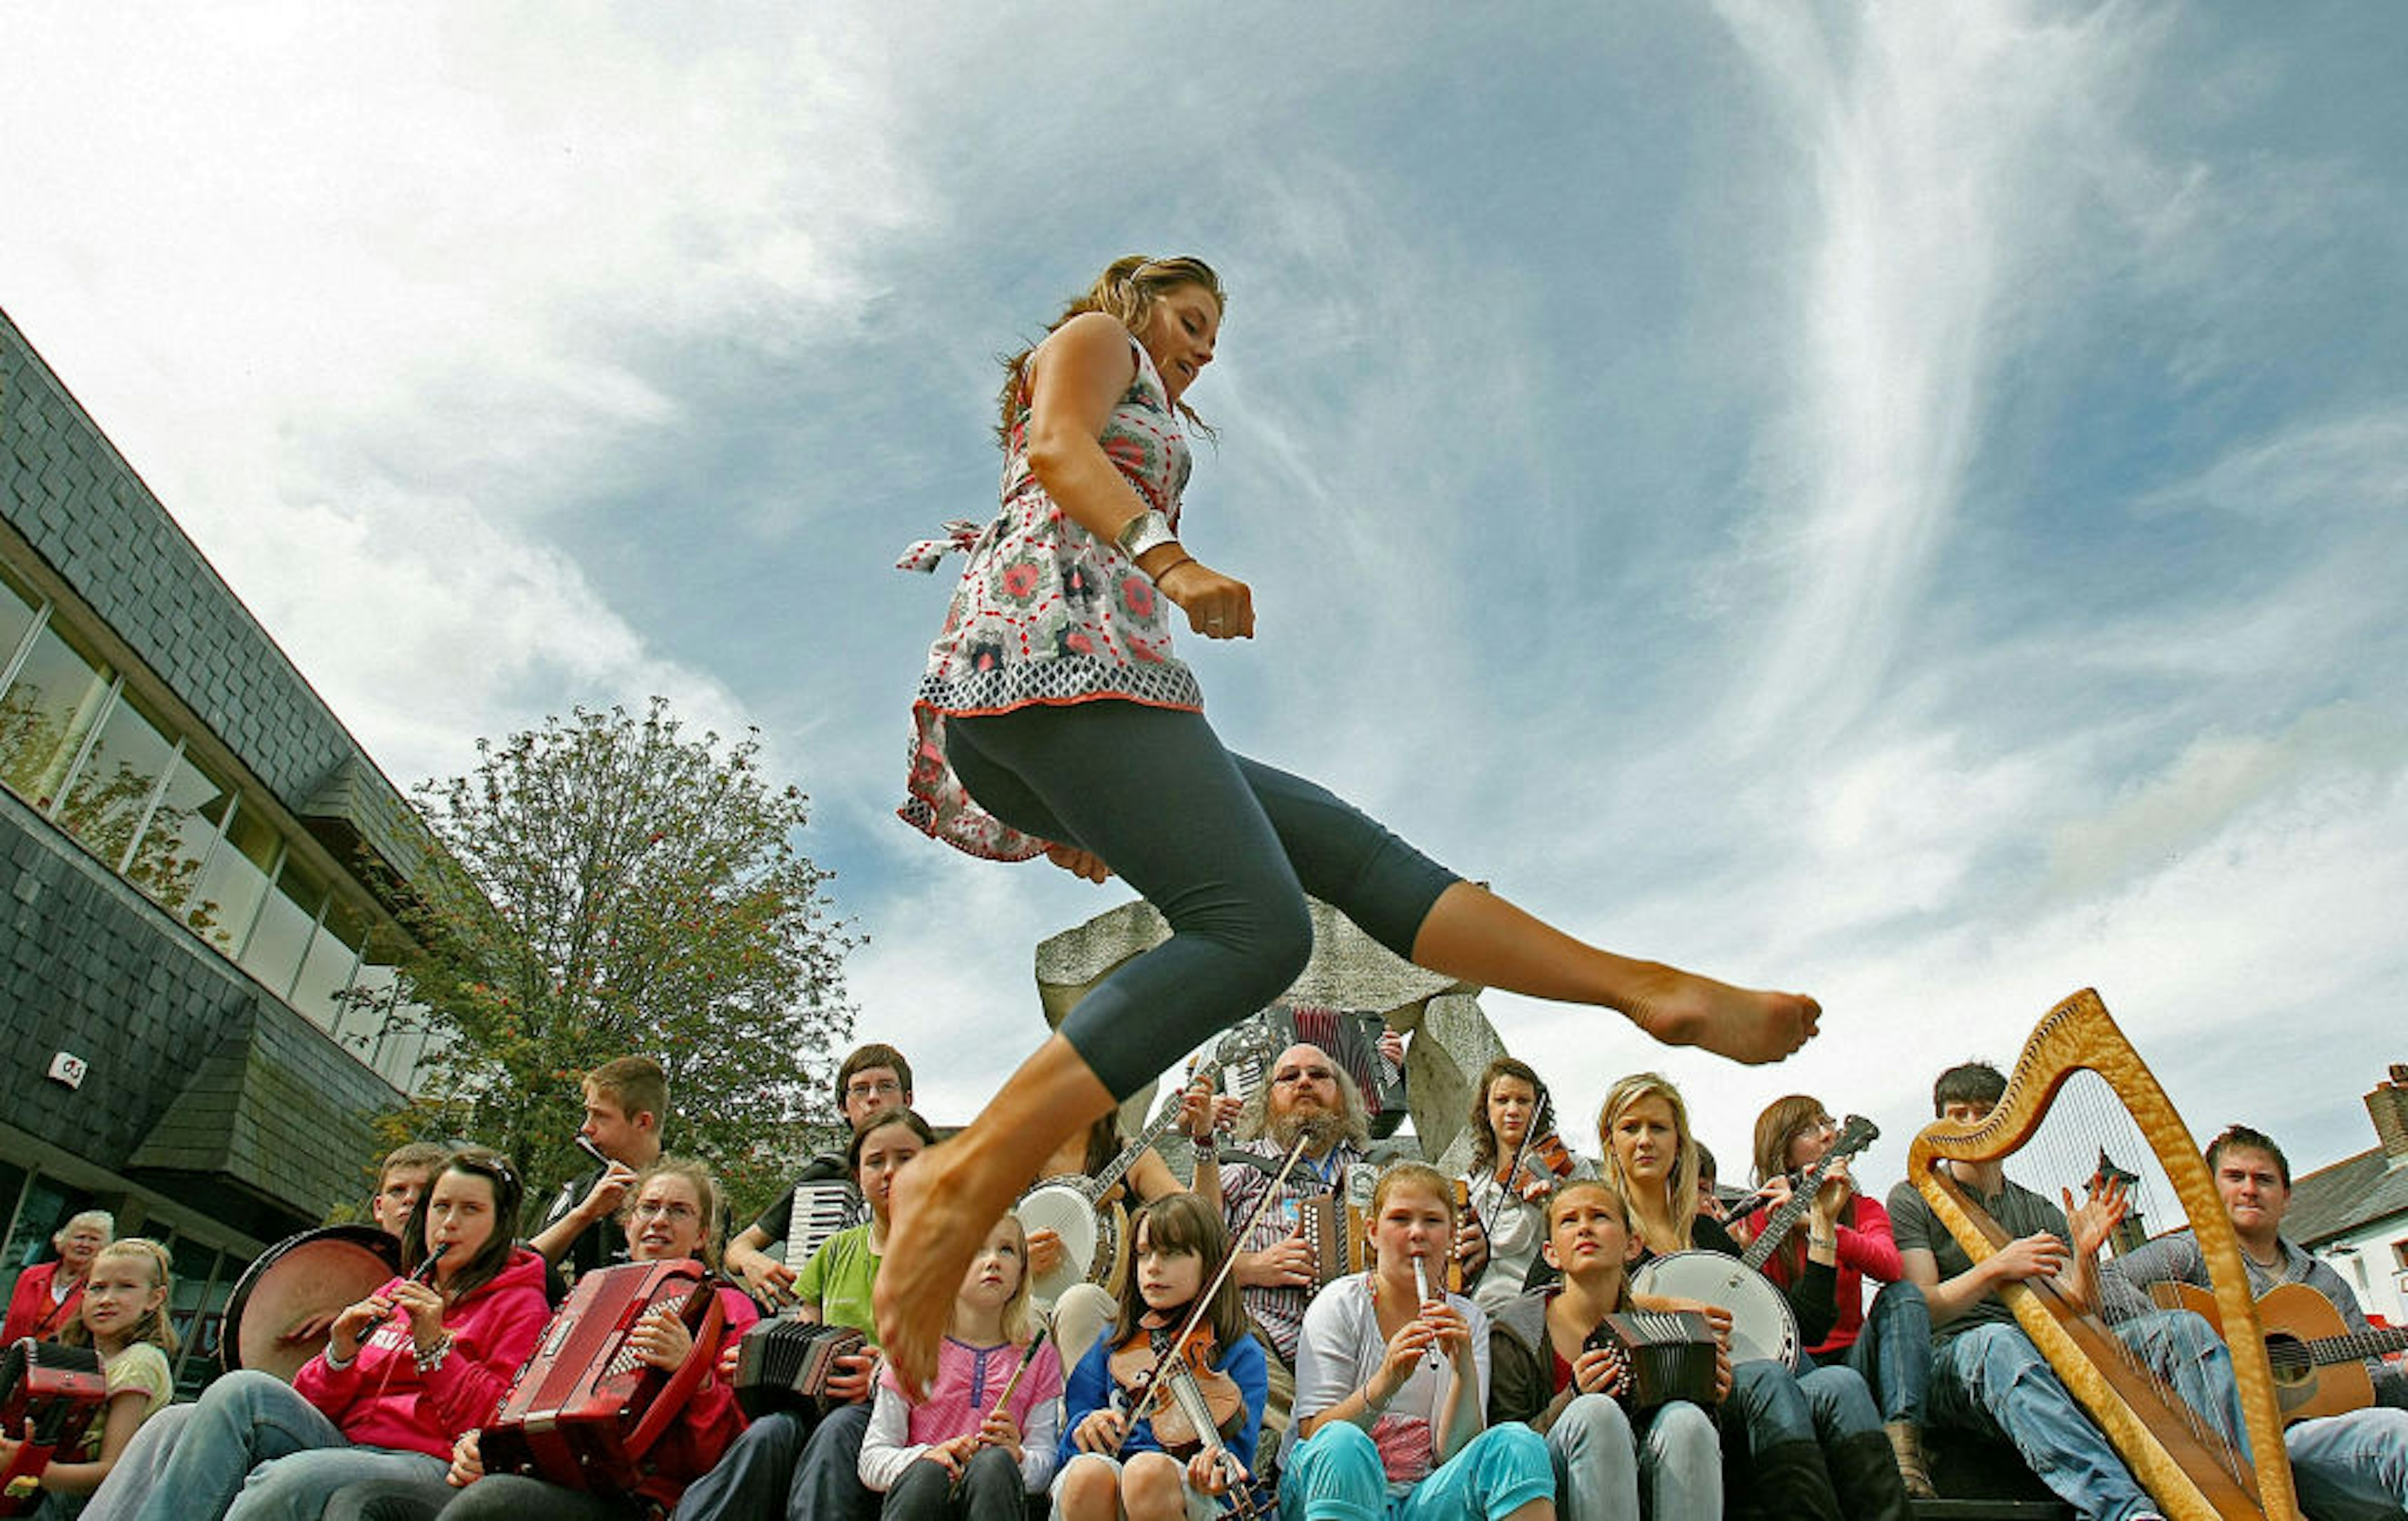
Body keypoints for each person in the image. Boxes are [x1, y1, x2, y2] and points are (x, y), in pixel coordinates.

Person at [877, 253, 1824, 1394]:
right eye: (1191, 321)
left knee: (1355, 860)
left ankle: (1641, 986)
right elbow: (1056, 451)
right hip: (1055, 671)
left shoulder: (1146, 389)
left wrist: (1094, 808)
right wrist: (1170, 562)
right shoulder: (1095, 343)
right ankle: (973, 1167)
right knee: (1257, 929)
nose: (1202, 351)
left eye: (1213, 339)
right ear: (1136, 303)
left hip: (1078, 708)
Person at [1886, 1060, 2252, 1521]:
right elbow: (1924, 1308)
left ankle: (2242, 1490)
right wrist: (1997, 1267)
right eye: (1957, 1114)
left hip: (2043, 1351)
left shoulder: (2036, 1208)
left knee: (2185, 1330)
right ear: (1938, 1124)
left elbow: (2074, 1306)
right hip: (1954, 1361)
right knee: (2002, 1343)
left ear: (2007, 1127)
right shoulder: (1912, 1197)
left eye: (1984, 1113)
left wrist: (2085, 1255)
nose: (1971, 1126)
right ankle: (2124, 1512)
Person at [123, 1147, 548, 1521]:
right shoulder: (395, 1291)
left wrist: (436, 1347)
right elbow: (312, 1404)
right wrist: (339, 1355)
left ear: (500, 1225)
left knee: (285, 1479)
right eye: (441, 1207)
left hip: (427, 1459)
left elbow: (496, 1424)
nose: (449, 1223)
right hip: (347, 1442)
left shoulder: (523, 1306)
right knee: (238, 1391)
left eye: (471, 1210)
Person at [332, 1156, 763, 1521]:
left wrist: (693, 1374)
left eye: (679, 1211)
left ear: (703, 1234)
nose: (660, 1221)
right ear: (628, 1224)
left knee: (491, 1504)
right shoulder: (588, 1296)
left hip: (640, 1500)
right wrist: (489, 1446)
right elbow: (528, 1403)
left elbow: (737, 1453)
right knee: (366, 1502)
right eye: (649, 1208)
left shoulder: (729, 1309)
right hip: (556, 1477)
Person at [1597, 1073, 1908, 1521]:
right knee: (1768, 1377)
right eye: (1631, 1128)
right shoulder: (1598, 1222)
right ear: (1611, 1142)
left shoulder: (1706, 1234)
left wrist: (1821, 1223)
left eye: (1659, 1128)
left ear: (1679, 1142)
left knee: (1841, 1384)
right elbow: (1562, 1302)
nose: (1645, 1140)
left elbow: (1802, 1325)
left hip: (1746, 1393)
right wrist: (1673, 1309)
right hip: (1664, 1407)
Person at [2101, 1124, 2408, 1520]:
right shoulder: (2191, 1253)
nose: (2249, 1189)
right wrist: (2212, 1358)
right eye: (2235, 1177)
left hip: (2330, 1442)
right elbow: (2106, 1282)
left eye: (2264, 1180)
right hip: (2244, 1454)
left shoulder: (2324, 1279)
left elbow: (2367, 1380)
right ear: (2210, 1192)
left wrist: (2400, 1371)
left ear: (2286, 1198)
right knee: (2398, 1438)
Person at [672, 1107, 934, 1521]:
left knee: (838, 1429)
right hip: (827, 1402)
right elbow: (804, 1330)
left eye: (907, 1159)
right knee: (768, 1431)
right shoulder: (834, 1251)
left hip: (905, 1408)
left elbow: (970, 1345)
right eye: (875, 1161)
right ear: (856, 1176)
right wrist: (759, 1360)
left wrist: (886, 1376)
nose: (890, 1172)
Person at [1280, 1162, 1554, 1520]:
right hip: (1326, 1488)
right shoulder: (1339, 1304)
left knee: (1518, 1444)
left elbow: (1452, 1453)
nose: (1417, 1233)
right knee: (1343, 1444)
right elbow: (1315, 1434)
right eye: (1400, 1220)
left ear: (1452, 1234)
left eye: (1433, 1221)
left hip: (1421, 1498)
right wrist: (1386, 1381)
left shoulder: (1468, 1319)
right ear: (1373, 1232)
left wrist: (1463, 1371)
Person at [1487, 1179, 1725, 1521]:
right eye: (1569, 1221)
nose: (1584, 1228)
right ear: (1551, 1253)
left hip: (1641, 1489)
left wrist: (1709, 1396)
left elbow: (1680, 1443)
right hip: (1552, 1492)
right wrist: (1572, 1396)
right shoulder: (1516, 1333)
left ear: (1632, 1245)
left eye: (1599, 1217)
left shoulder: (1657, 1334)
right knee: (1596, 1412)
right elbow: (1506, 1449)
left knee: (1687, 1421)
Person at [1738, 1095, 1935, 1497]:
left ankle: (1905, 1453)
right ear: (1785, 1154)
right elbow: (1760, 1308)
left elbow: (1889, 1266)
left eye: (1828, 1123)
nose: (1829, 1134)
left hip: (1859, 1359)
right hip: (1797, 1365)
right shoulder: (1760, 1219)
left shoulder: (1865, 1209)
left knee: (1905, 1296)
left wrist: (1822, 1225)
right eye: (1810, 1129)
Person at [1208, 1043, 1370, 1477]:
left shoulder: (1376, 1172)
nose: (1304, 1082)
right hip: (1265, 1340)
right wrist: (1252, 1266)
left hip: (1359, 1349)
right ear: (1269, 1097)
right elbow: (1187, 1246)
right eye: (1290, 1076)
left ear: (1343, 1093)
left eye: (1319, 1075)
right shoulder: (1242, 1167)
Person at [1055, 1193, 1268, 1521]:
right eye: (1143, 1255)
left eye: (1171, 1254)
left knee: (1146, 1473)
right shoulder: (1114, 1342)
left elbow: (1235, 1459)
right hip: (1109, 1488)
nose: (1153, 1266)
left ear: (1211, 1263)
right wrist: (1086, 1427)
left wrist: (1212, 1472)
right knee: (1087, 1475)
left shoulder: (1239, 1352)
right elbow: (1074, 1435)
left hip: (1186, 1501)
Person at [859, 1214, 1064, 1521]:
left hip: (995, 1498)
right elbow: (872, 1461)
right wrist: (927, 1456)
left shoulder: (1038, 1355)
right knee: (928, 1474)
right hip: (924, 1499)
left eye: (1007, 1250)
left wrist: (1018, 1456)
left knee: (993, 1465)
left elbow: (1045, 1465)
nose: (993, 1260)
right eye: (976, 1250)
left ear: (1022, 1271)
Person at [726, 1044, 914, 1306]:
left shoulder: (943, 1169)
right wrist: (751, 1261)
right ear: (843, 1107)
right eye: (860, 1089)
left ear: (907, 1100)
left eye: (886, 1086)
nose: (873, 1097)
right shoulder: (826, 1175)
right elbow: (739, 1247)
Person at [0, 1238, 176, 1512]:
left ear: (155, 1298)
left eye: (126, 1287)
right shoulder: (80, 1359)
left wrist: (25, 1464)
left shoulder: (140, 1360)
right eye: (97, 1288)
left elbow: (112, 1472)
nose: (107, 1299)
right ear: (83, 1296)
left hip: (81, 1505)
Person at [1459, 1058, 1591, 1316]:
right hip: (1481, 1309)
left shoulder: (1571, 1167)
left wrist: (1557, 1206)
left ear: (1537, 1108)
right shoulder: (1471, 1184)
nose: (1512, 1110)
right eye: (1502, 1100)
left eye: (1523, 1101)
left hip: (1547, 1307)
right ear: (1486, 1108)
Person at [533, 1056, 668, 1281]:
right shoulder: (581, 1192)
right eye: (588, 1113)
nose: (586, 1128)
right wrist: (585, 1214)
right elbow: (523, 1264)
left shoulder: (697, 1196)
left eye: (600, 1116)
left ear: (643, 1122)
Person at [4, 1210, 112, 1345]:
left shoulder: (100, 1288)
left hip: (59, 1362)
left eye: (94, 1239)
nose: (85, 1244)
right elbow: (11, 1323)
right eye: (80, 1237)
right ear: (64, 1240)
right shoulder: (31, 1276)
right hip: (16, 1358)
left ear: (104, 1248)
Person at [372, 1144, 453, 1239]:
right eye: (398, 1190)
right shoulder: (353, 1252)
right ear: (379, 1207)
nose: (410, 1198)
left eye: (425, 1191)